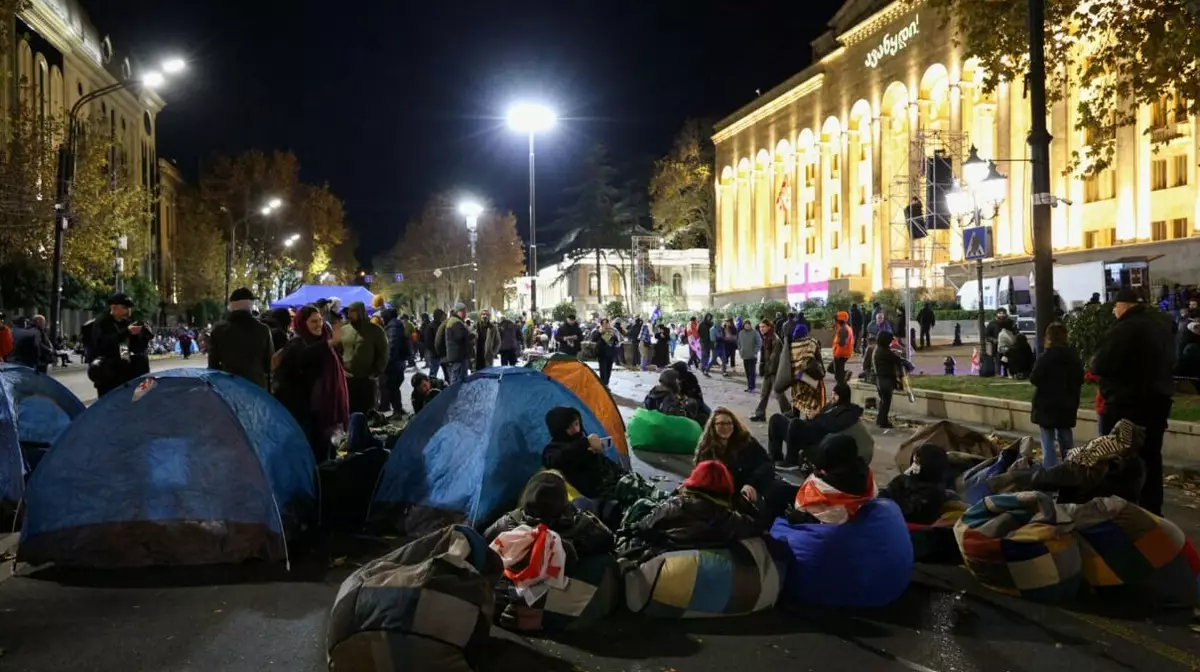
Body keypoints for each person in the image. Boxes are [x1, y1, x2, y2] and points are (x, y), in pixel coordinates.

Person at [1090, 287, 1175, 515]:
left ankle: (1123, 509)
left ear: (1124, 306)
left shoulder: (1123, 329)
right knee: (1151, 458)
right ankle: (1152, 509)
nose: (1114, 312)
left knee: (1119, 461)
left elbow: (1100, 364)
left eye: (1116, 307)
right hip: (1157, 403)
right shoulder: (1161, 326)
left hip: (1125, 405)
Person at [619, 460, 759, 563]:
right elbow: (758, 526)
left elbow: (643, 527)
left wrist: (675, 495)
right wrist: (743, 501)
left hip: (666, 569)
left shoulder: (675, 506)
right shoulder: (735, 520)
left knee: (640, 506)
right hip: (708, 573)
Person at [274, 306, 350, 462]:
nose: (319, 324)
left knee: (326, 454)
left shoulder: (323, 343)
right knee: (310, 455)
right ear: (302, 323)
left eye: (320, 320)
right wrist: (327, 344)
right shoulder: (296, 344)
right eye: (313, 321)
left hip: (324, 411)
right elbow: (303, 358)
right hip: (304, 412)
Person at [695, 408, 794, 526]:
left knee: (784, 491)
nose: (725, 427)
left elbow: (767, 464)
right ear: (713, 426)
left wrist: (751, 484)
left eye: (729, 423)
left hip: (756, 485)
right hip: (729, 497)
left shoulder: (746, 441)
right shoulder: (707, 450)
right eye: (720, 423)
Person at [786, 434, 876, 525]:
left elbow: (826, 522)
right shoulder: (866, 474)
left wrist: (799, 518)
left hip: (832, 530)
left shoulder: (820, 488)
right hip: (863, 520)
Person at [541, 406, 624, 501]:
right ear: (559, 429)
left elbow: (605, 464)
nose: (576, 429)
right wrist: (584, 443)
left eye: (576, 424)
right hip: (595, 498)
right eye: (569, 427)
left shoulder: (583, 442)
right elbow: (557, 459)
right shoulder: (553, 449)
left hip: (611, 485)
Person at [1029, 322, 1084, 467]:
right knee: (1066, 436)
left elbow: (1034, 378)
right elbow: (1080, 378)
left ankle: (1050, 469)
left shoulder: (1045, 357)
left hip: (1046, 404)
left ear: (1048, 338)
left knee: (1047, 439)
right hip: (1067, 403)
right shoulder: (1073, 357)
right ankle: (1070, 466)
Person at [85, 293, 153, 397]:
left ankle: (143, 397)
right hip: (106, 368)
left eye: (129, 308)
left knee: (141, 361)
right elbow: (103, 344)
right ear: (114, 308)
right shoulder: (102, 322)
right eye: (125, 308)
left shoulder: (126, 322)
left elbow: (135, 348)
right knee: (110, 400)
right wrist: (127, 332)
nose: (128, 311)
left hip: (123, 363)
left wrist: (144, 336)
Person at [207, 288, 274, 389]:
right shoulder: (263, 330)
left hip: (228, 386)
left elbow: (213, 365)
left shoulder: (219, 330)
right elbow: (269, 363)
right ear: (250, 305)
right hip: (256, 387)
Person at [878, 444, 957, 524]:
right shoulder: (905, 479)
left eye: (916, 462)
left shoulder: (933, 492)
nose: (913, 466)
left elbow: (908, 512)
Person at [340, 301, 388, 414]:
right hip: (347, 379)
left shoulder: (375, 330)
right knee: (349, 411)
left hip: (367, 380)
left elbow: (383, 354)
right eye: (349, 311)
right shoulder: (344, 330)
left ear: (361, 312)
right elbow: (336, 351)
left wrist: (376, 372)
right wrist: (340, 370)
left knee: (367, 411)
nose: (350, 314)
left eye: (353, 312)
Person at [773, 323, 826, 420]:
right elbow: (817, 359)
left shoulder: (790, 345)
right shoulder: (811, 342)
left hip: (796, 379)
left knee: (797, 400)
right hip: (809, 378)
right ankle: (808, 422)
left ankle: (795, 421)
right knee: (811, 403)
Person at [748, 320, 788, 422]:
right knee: (764, 393)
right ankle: (760, 414)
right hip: (768, 371)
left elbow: (775, 358)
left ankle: (788, 413)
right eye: (760, 327)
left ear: (769, 327)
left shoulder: (775, 339)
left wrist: (769, 370)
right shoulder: (766, 338)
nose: (761, 329)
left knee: (779, 393)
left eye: (764, 327)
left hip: (774, 371)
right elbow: (765, 357)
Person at [873, 331, 911, 429]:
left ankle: (880, 420)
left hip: (880, 379)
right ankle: (883, 421)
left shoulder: (878, 350)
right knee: (886, 402)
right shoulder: (885, 352)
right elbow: (897, 359)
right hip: (885, 379)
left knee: (883, 401)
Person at [381, 308, 410, 416]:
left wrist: (387, 361)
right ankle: (398, 408)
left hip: (395, 362)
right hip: (398, 360)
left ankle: (397, 411)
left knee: (391, 386)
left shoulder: (393, 327)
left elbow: (392, 346)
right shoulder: (396, 325)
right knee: (394, 386)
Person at [436, 303, 473, 384]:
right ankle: (455, 396)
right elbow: (459, 336)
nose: (465, 313)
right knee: (457, 380)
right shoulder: (455, 322)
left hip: (457, 356)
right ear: (458, 312)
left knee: (459, 379)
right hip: (458, 357)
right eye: (463, 311)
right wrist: (469, 335)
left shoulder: (455, 321)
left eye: (465, 311)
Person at [592, 317, 620, 386]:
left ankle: (607, 383)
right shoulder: (597, 330)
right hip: (602, 353)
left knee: (608, 369)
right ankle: (603, 384)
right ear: (601, 324)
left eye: (607, 323)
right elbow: (593, 339)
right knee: (603, 369)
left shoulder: (613, 330)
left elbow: (617, 340)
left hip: (610, 353)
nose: (606, 325)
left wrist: (611, 335)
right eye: (604, 324)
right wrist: (600, 332)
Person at [737, 319, 761, 393]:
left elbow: (759, 342)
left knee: (752, 372)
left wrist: (755, 351)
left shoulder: (754, 332)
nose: (747, 326)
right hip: (745, 355)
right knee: (747, 372)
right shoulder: (741, 333)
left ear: (750, 325)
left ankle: (753, 387)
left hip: (752, 356)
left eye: (748, 325)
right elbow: (739, 343)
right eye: (745, 325)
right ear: (743, 325)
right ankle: (749, 386)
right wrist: (740, 351)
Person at [831, 311, 854, 384]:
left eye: (836, 319)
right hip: (843, 353)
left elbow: (842, 343)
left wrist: (837, 343)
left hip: (840, 354)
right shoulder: (846, 327)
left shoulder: (843, 329)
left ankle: (844, 377)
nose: (835, 320)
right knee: (830, 368)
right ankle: (845, 374)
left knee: (838, 377)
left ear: (839, 320)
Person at [425, 308, 446, 379]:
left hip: (442, 354)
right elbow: (429, 342)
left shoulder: (442, 325)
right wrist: (435, 350)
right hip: (437, 354)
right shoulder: (431, 327)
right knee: (433, 373)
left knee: (447, 373)